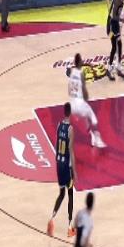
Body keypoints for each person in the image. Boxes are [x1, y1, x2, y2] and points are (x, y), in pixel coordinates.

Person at [47, 102, 77, 238]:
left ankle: (51, 219)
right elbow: (71, 151)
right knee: (70, 195)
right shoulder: (70, 129)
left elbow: (56, 144)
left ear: (64, 112)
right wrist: (74, 171)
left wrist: (58, 160)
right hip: (67, 167)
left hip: (59, 163)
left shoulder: (59, 126)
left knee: (61, 194)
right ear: (71, 113)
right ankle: (70, 228)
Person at [68, 53, 105, 148]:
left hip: (72, 105)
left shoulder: (71, 72)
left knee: (86, 119)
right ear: (80, 62)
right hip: (80, 104)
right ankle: (97, 138)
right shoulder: (81, 74)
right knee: (93, 118)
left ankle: (92, 136)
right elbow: (84, 90)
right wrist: (86, 98)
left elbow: (69, 90)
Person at [106, 0, 124, 80]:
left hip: (115, 24)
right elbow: (114, 16)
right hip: (110, 26)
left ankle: (118, 66)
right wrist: (122, 20)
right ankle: (109, 68)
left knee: (119, 44)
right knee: (114, 46)